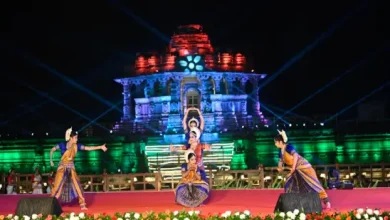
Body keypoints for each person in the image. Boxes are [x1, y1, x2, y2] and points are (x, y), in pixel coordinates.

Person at [49, 127, 108, 210]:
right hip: (62, 167)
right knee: (58, 185)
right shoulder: (62, 144)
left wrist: (100, 147)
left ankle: (82, 204)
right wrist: (51, 160)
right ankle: (50, 203)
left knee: (76, 184)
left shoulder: (76, 146)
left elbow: (88, 148)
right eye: (75, 137)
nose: (77, 139)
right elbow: (52, 150)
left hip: (71, 167)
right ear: (71, 138)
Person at [275, 130, 331, 209]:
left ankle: (326, 201)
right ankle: (295, 203)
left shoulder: (288, 147)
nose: (275, 144)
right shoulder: (280, 152)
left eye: (276, 142)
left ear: (280, 142)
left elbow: (296, 156)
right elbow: (280, 161)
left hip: (304, 167)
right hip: (296, 170)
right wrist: (279, 168)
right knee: (289, 183)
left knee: (314, 184)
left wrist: (293, 168)